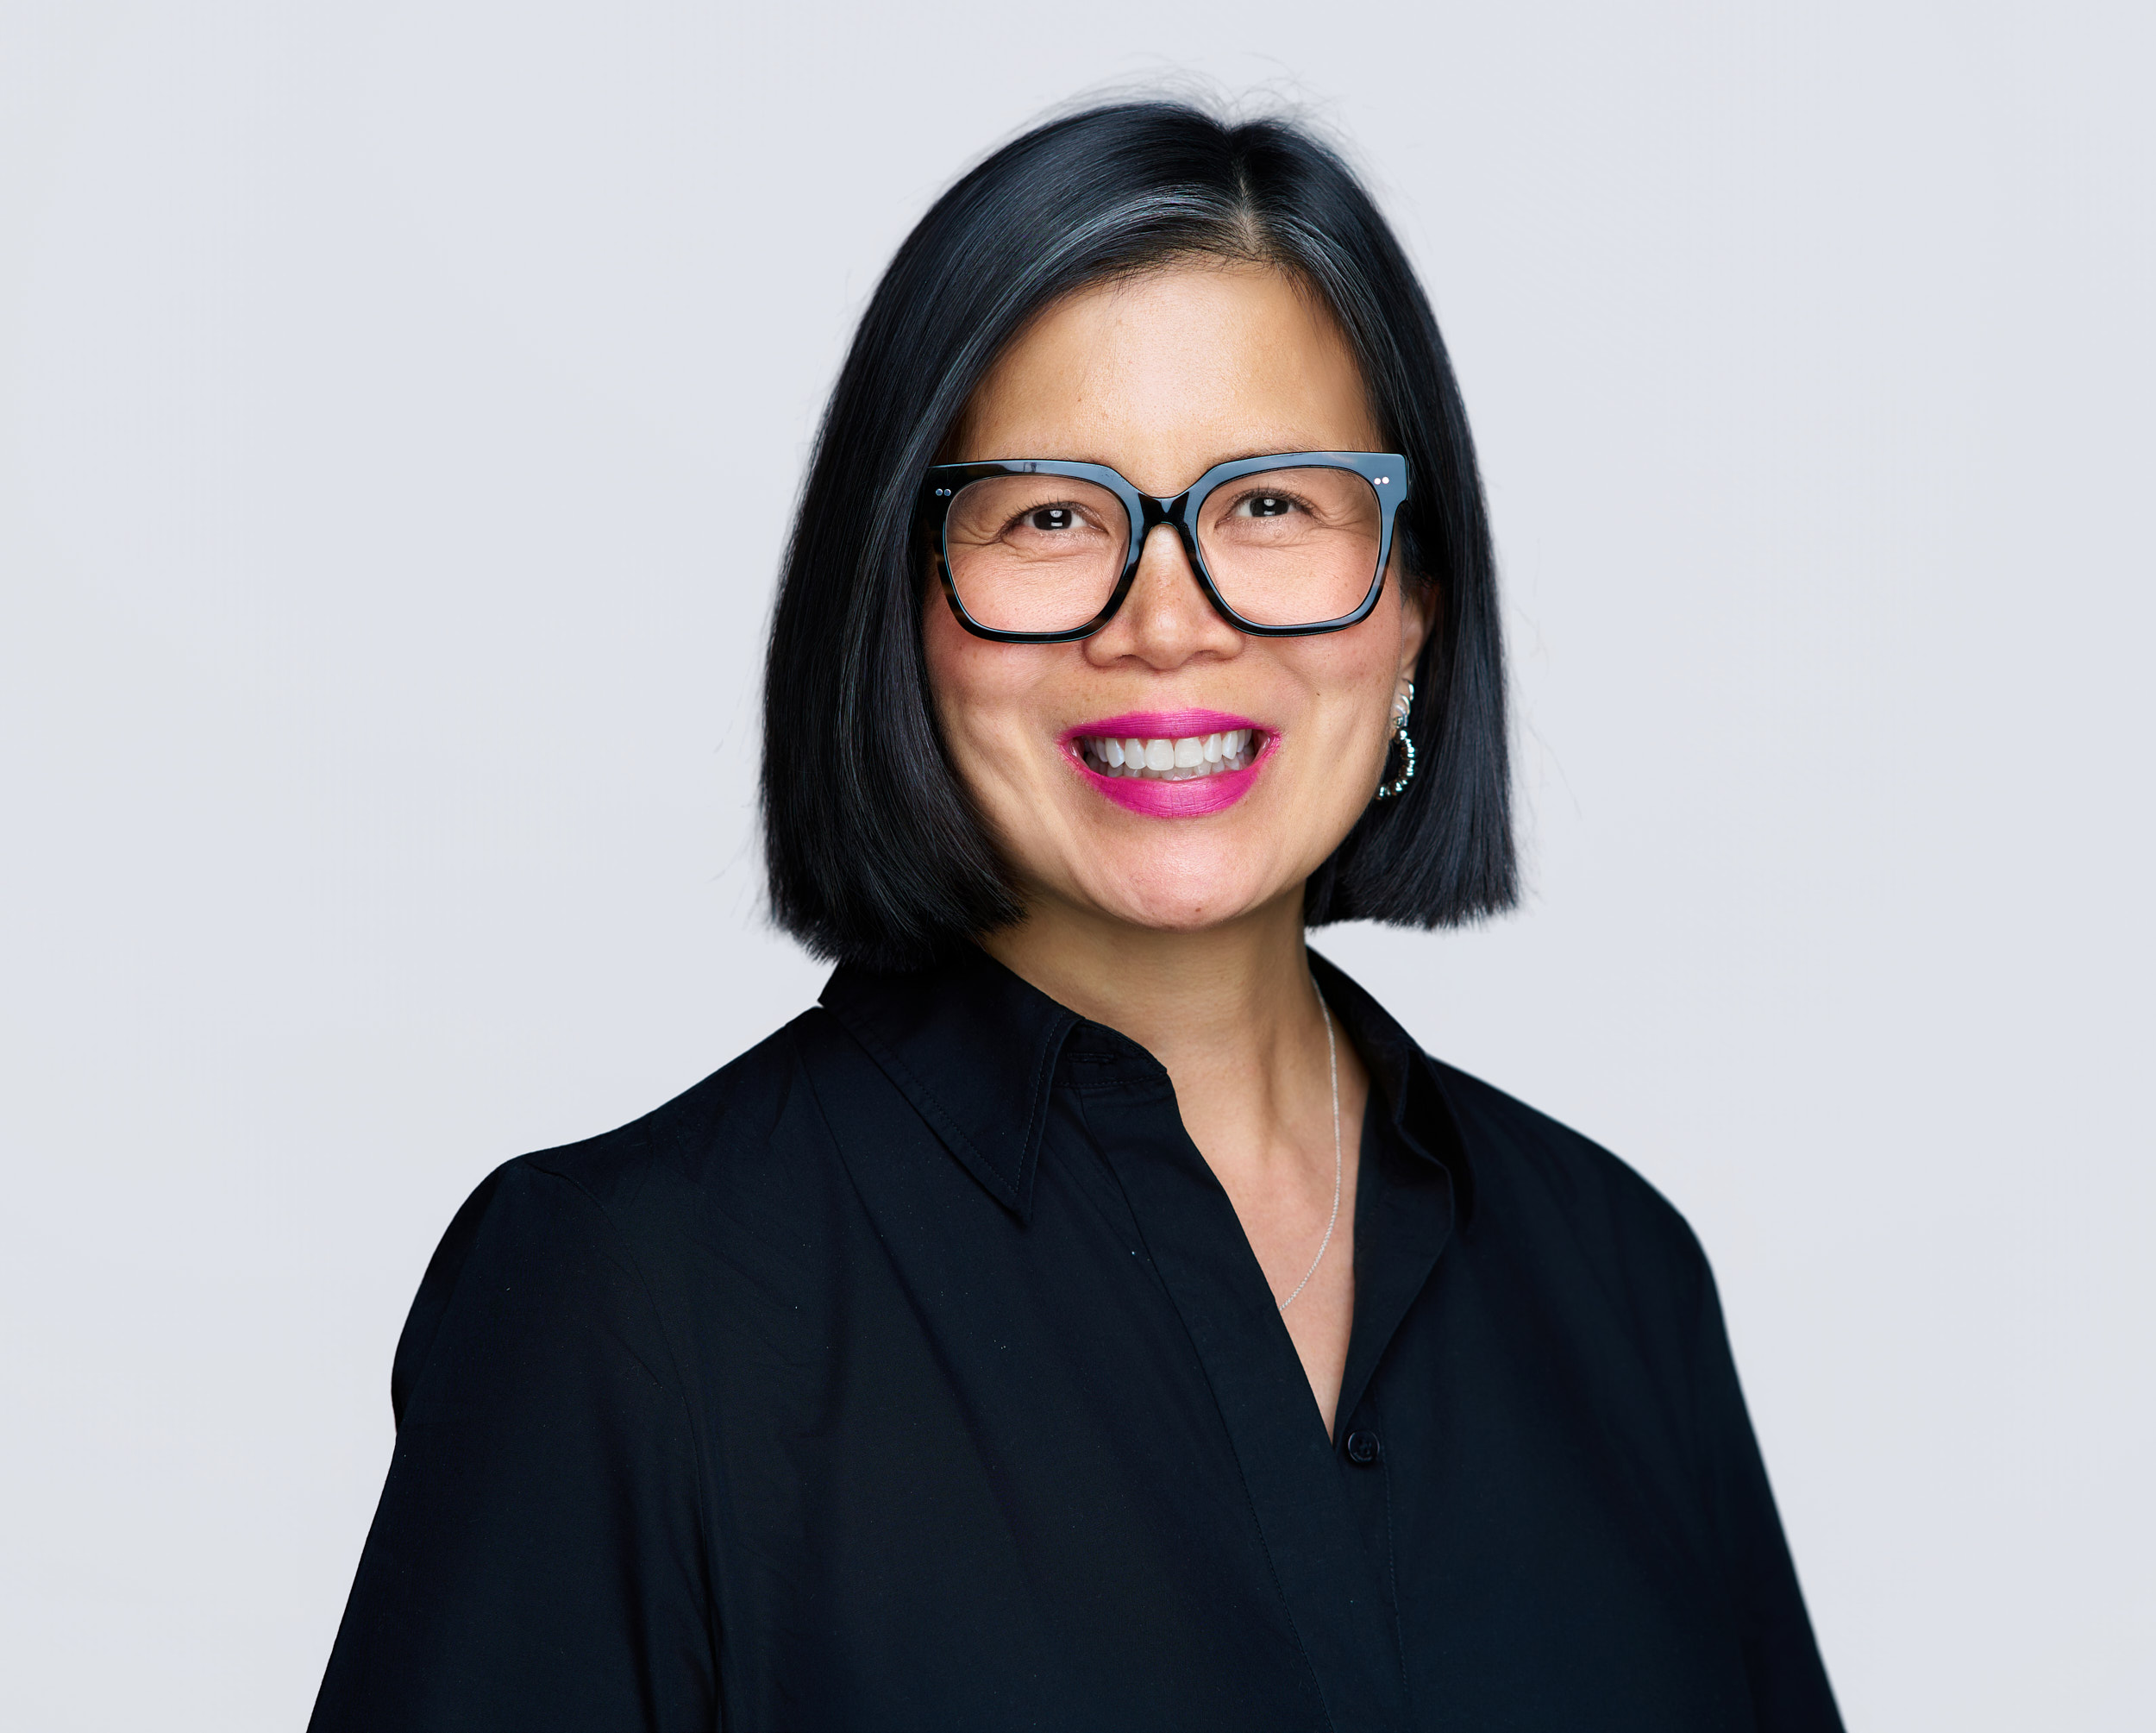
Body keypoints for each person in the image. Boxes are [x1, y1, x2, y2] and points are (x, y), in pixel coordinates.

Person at [310, 100, 1842, 1731]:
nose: (1167, 623)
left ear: (1413, 603)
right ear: (901, 607)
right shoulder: (625, 1305)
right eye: (1052, 516)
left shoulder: (1616, 1279)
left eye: (1271, 504)